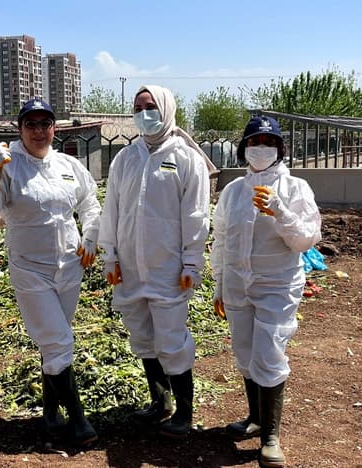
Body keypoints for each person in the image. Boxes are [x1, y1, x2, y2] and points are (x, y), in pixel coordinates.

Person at [0, 98, 102, 446]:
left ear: (54, 128)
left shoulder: (69, 164)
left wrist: (91, 233)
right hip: (31, 269)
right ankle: (78, 419)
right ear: (20, 129)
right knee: (59, 341)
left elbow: (89, 201)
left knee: (53, 341)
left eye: (46, 124)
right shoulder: (9, 165)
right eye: (32, 124)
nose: (39, 131)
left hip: (69, 266)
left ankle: (50, 412)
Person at [98, 85, 211, 439]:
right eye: (138, 107)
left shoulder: (186, 158)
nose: (144, 113)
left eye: (151, 107)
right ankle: (159, 402)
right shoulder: (125, 158)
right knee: (143, 338)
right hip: (130, 268)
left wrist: (191, 262)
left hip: (169, 270)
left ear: (166, 109)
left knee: (172, 341)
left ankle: (185, 413)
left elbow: (196, 216)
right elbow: (112, 210)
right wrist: (110, 255)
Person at [211, 115, 321, 467]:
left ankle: (271, 435)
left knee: (269, 353)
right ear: (244, 149)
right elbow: (223, 240)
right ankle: (255, 418)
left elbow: (305, 239)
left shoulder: (296, 188)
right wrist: (219, 284)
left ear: (280, 149)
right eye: (254, 143)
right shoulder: (232, 192)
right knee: (245, 353)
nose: (261, 149)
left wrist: (279, 210)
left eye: (268, 143)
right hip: (238, 285)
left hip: (277, 285)